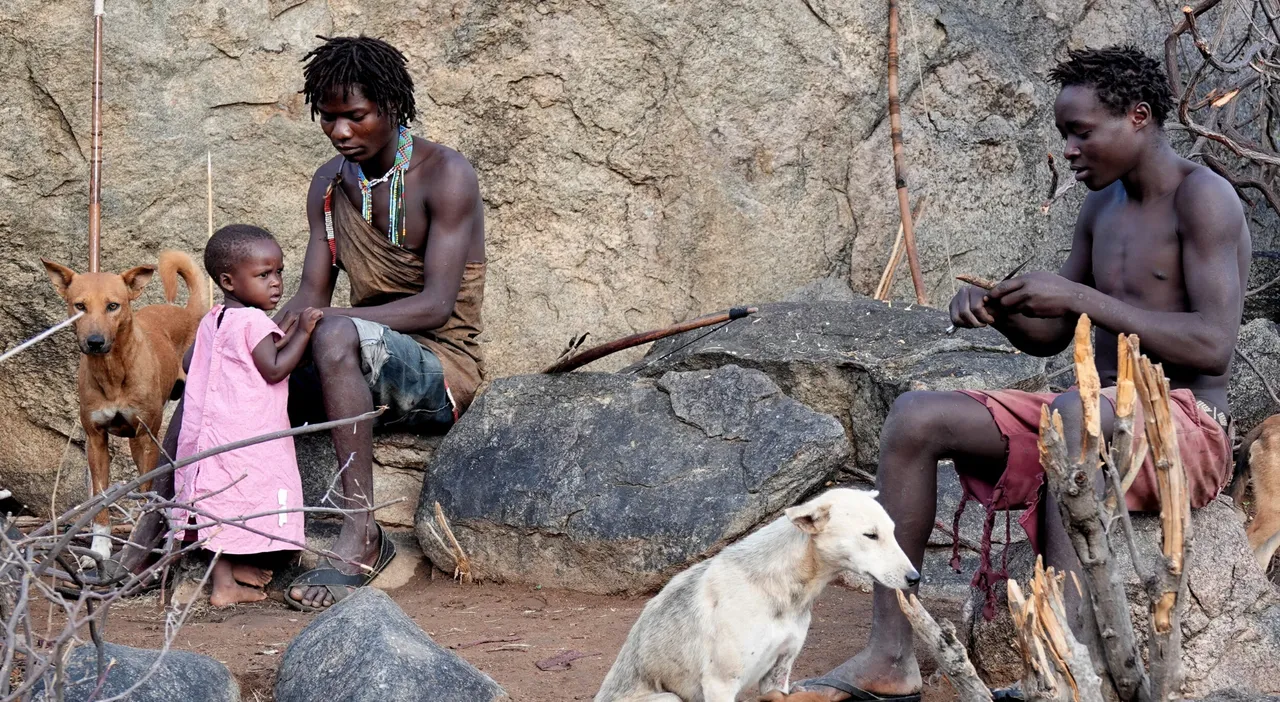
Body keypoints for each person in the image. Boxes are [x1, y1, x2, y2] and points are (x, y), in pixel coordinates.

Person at [795, 45, 1250, 700]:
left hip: (1189, 427)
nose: (1067, 149)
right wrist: (997, 314)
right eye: (1064, 133)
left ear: (1140, 117)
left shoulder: (1203, 199)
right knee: (917, 418)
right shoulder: (1102, 210)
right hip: (1093, 414)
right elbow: (1052, 337)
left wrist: (1080, 299)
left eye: (1081, 132)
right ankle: (889, 657)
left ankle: (1060, 670)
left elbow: (1212, 345)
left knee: (1071, 418)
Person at [274, 35, 487, 611]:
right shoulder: (329, 183)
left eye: (356, 115)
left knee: (335, 332)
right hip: (354, 357)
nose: (341, 131)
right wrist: (244, 338)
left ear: (392, 107)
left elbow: (435, 306)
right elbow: (309, 295)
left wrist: (325, 320)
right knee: (223, 361)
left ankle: (363, 534)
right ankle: (151, 538)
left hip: (439, 368)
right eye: (329, 117)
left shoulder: (446, 174)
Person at [172, 224, 323, 607]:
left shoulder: (216, 317)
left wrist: (278, 333)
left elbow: (192, 360)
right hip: (245, 430)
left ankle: (231, 568)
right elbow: (274, 369)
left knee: (216, 500)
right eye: (263, 275)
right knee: (242, 497)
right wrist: (303, 332)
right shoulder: (253, 322)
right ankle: (225, 587)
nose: (275, 283)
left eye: (278, 272)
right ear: (228, 280)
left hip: (208, 433)